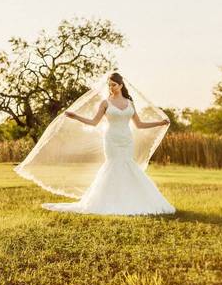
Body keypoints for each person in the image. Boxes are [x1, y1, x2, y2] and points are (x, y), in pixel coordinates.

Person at [17, 72, 176, 216]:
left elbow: (139, 125)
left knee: (128, 165)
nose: (111, 87)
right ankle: (107, 202)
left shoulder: (130, 103)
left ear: (121, 85)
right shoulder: (105, 103)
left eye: (114, 84)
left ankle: (133, 199)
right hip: (111, 139)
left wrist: (160, 123)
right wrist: (76, 116)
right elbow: (93, 122)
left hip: (126, 139)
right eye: (109, 85)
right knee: (113, 165)